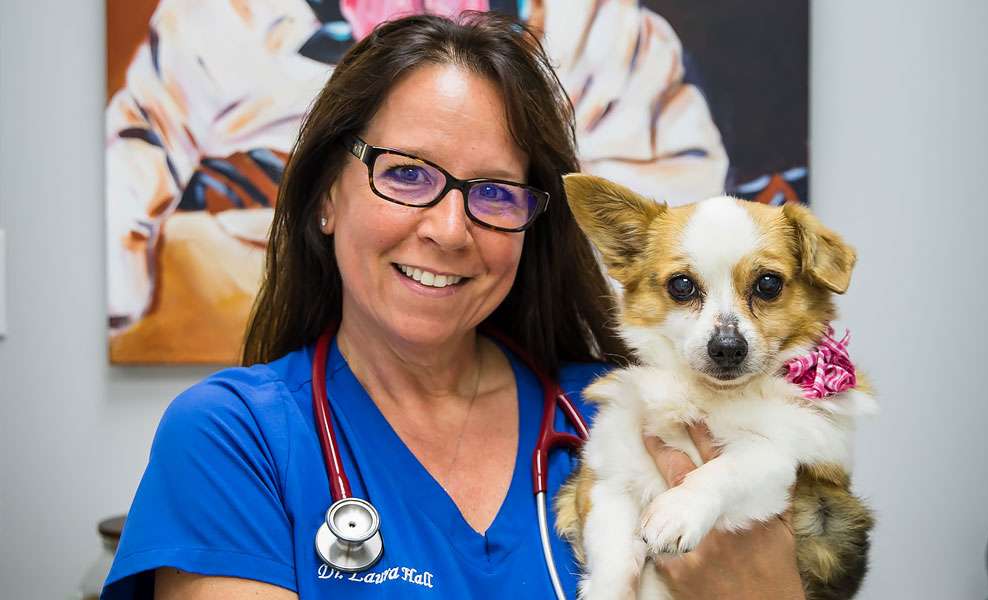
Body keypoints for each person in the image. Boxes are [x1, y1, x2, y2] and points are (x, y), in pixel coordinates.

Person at [102, 12, 804, 599]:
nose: (447, 229)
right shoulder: (234, 440)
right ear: (324, 198)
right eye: (405, 174)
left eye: (496, 191)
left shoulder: (624, 415)